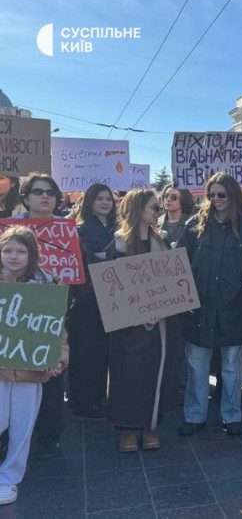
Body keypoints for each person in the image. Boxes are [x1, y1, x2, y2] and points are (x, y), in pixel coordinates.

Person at [178, 173, 242, 437]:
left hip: (234, 307)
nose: (216, 200)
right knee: (196, 366)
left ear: (232, 196)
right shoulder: (195, 225)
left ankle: (232, 415)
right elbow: (181, 259)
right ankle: (195, 415)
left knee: (232, 367)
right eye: (211, 195)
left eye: (221, 195)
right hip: (200, 308)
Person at [103, 190, 181, 452]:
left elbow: (169, 284)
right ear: (138, 210)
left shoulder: (163, 242)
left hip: (159, 323)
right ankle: (128, 428)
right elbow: (114, 289)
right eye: (154, 208)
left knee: (154, 375)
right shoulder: (119, 245)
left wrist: (163, 306)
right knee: (128, 375)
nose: (159, 212)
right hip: (128, 326)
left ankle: (150, 425)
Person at [0, 225, 69, 505]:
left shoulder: (48, 286)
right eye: (7, 250)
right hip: (1, 371)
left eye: (20, 251)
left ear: (32, 255)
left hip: (31, 374)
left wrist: (58, 360)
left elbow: (58, 333)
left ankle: (9, 479)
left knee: (22, 427)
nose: (13, 256)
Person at [13, 174, 66, 460]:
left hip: (53, 311)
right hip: (14, 313)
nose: (44, 197)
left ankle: (49, 434)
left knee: (51, 372)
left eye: (50, 192)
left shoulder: (70, 230)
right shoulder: (8, 229)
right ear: (25, 197)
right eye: (38, 192)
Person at [67, 183, 117, 421]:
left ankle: (98, 396)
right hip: (87, 300)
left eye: (108, 198)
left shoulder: (118, 228)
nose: (105, 202)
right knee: (84, 351)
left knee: (103, 352)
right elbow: (83, 263)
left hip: (113, 298)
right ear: (90, 202)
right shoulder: (80, 229)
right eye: (99, 199)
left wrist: (102, 258)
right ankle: (80, 401)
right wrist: (108, 260)